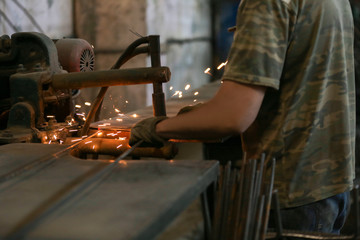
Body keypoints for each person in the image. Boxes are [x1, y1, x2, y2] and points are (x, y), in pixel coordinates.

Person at [130, 0, 356, 235]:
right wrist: (205, 115)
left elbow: (234, 117)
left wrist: (158, 129)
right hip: (330, 185)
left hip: (289, 192)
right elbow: (301, 80)